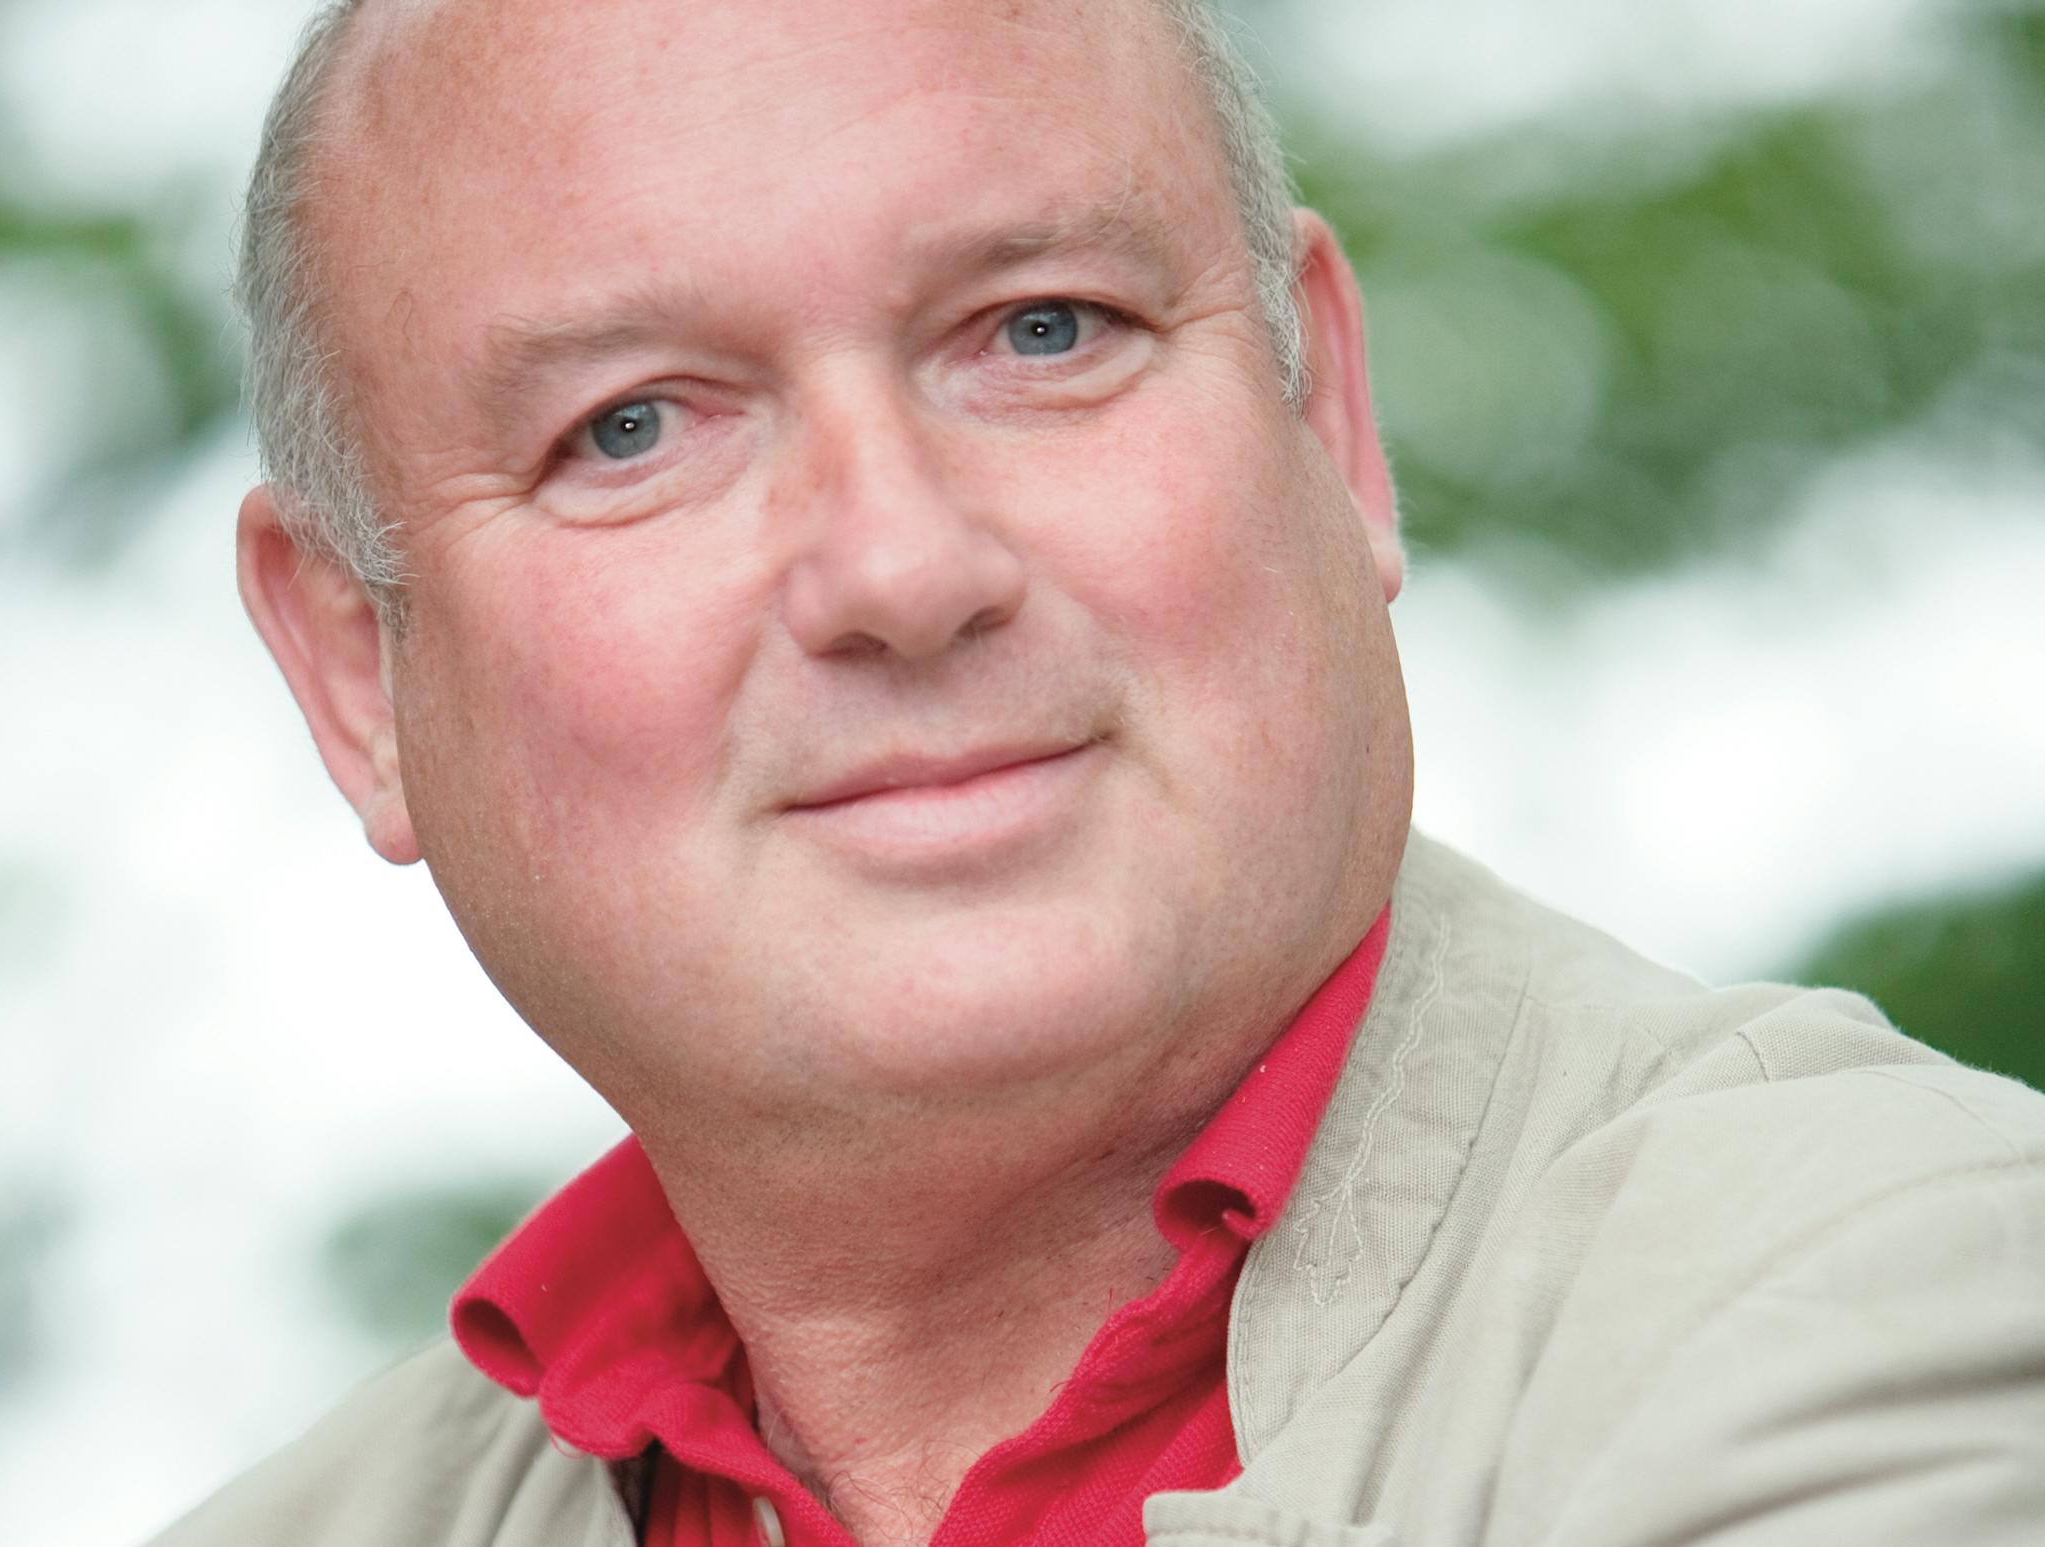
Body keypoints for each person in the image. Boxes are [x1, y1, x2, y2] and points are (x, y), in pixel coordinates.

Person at [152, 0, 2045, 1542]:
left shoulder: (1900, 1293)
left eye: (1044, 330)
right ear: (356, 676)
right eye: (631, 427)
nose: (901, 569)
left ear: (1331, 421)